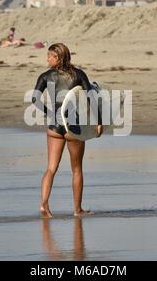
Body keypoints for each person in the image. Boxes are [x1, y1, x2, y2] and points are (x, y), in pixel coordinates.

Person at [32, 43, 103, 218]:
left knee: (51, 168)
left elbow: (35, 98)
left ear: (58, 57)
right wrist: (98, 122)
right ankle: (77, 210)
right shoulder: (78, 75)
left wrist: (50, 113)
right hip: (74, 127)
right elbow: (92, 98)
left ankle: (44, 205)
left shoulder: (46, 76)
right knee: (77, 169)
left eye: (50, 56)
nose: (47, 59)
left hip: (54, 126)